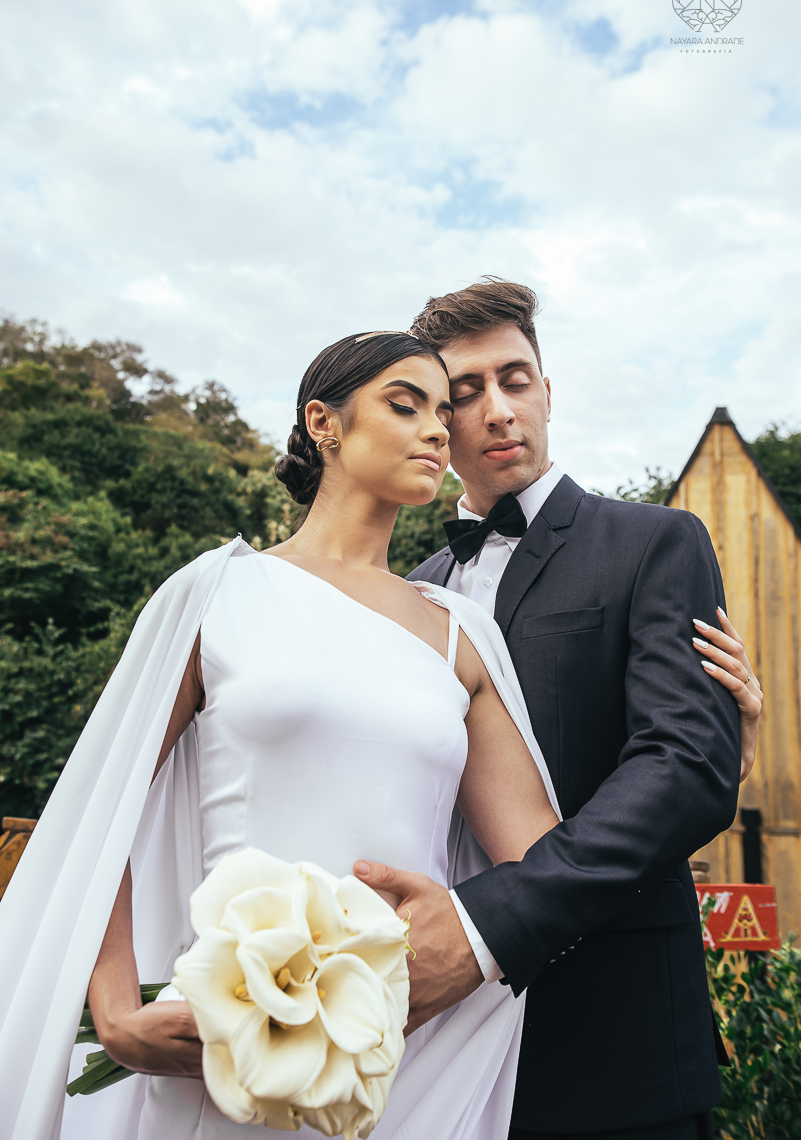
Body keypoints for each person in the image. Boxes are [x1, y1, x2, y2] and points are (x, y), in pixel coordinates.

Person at [0, 326, 754, 1140]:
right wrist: (113, 1008)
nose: (443, 426)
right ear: (323, 421)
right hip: (228, 1023)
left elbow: (537, 855)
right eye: (417, 404)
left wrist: (711, 765)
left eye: (446, 407)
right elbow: (98, 809)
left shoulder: (458, 630)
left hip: (407, 1037)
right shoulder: (215, 591)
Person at [354, 279, 763, 1140]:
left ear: (547, 390)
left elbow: (683, 769)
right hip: (426, 1048)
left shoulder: (656, 541)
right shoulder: (403, 594)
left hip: (612, 1039)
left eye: (516, 379)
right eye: (466, 393)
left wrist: (484, 930)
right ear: (434, 419)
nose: (498, 410)